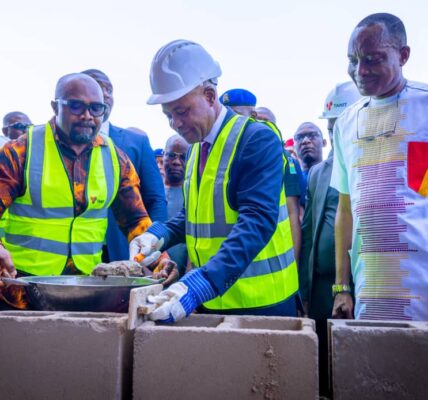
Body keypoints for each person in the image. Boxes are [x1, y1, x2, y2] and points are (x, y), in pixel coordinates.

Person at [132, 39, 299, 322]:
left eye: (181, 111)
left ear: (210, 96)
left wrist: (201, 283)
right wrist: (157, 234)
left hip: (261, 303)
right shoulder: (197, 147)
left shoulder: (256, 139)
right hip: (211, 298)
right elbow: (193, 214)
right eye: (168, 115)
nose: (175, 123)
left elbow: (257, 220)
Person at [0, 73, 162, 308]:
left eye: (97, 108)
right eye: (76, 106)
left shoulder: (116, 158)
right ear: (55, 106)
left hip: (87, 289)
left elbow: (137, 220)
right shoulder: (20, 152)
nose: (87, 116)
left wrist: (160, 258)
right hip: (21, 290)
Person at [331, 13, 428, 321]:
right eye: (353, 60)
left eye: (372, 59)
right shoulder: (346, 123)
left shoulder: (424, 108)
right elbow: (345, 211)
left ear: (403, 55)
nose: (360, 71)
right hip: (371, 290)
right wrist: (341, 286)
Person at [299, 81, 361, 396]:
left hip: (361, 284)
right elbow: (308, 232)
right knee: (321, 356)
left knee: (355, 359)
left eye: (341, 124)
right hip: (322, 285)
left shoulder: (367, 164)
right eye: (332, 125)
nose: (337, 131)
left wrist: (346, 286)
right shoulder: (317, 173)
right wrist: (305, 289)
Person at [81, 69, 167, 261]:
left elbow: (156, 199)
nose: (105, 95)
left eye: (109, 90)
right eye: (97, 87)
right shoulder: (61, 145)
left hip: (124, 251)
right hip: (74, 255)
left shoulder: (136, 143)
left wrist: (154, 246)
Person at [163, 135, 190, 277]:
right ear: (163, 155)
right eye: (171, 155)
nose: (176, 162)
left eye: (183, 157)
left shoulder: (194, 194)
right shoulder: (151, 194)